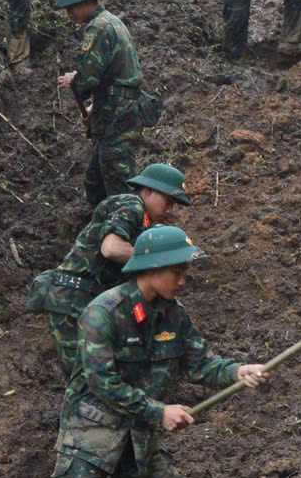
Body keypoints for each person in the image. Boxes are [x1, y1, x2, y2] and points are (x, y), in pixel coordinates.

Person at [50, 225, 267, 478]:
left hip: (138, 438)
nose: (184, 280)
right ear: (151, 269)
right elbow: (102, 383)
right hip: (90, 433)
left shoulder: (174, 314)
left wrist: (238, 371)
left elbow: (201, 363)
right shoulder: (102, 312)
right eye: (178, 271)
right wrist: (157, 410)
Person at [27, 162, 190, 400]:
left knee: (97, 376)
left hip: (84, 301)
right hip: (72, 300)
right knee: (87, 380)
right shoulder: (131, 205)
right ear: (148, 191)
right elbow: (111, 248)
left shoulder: (143, 221)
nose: (170, 209)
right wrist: (156, 260)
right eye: (168, 201)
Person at [56, 0, 157, 207]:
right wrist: (95, 106)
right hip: (117, 110)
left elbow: (89, 76)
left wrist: (75, 80)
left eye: (71, 8)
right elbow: (117, 74)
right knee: (95, 181)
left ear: (84, 2)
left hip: (117, 117)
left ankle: (129, 236)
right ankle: (103, 232)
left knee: (119, 187)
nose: (70, 15)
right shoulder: (112, 21)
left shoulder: (98, 28)